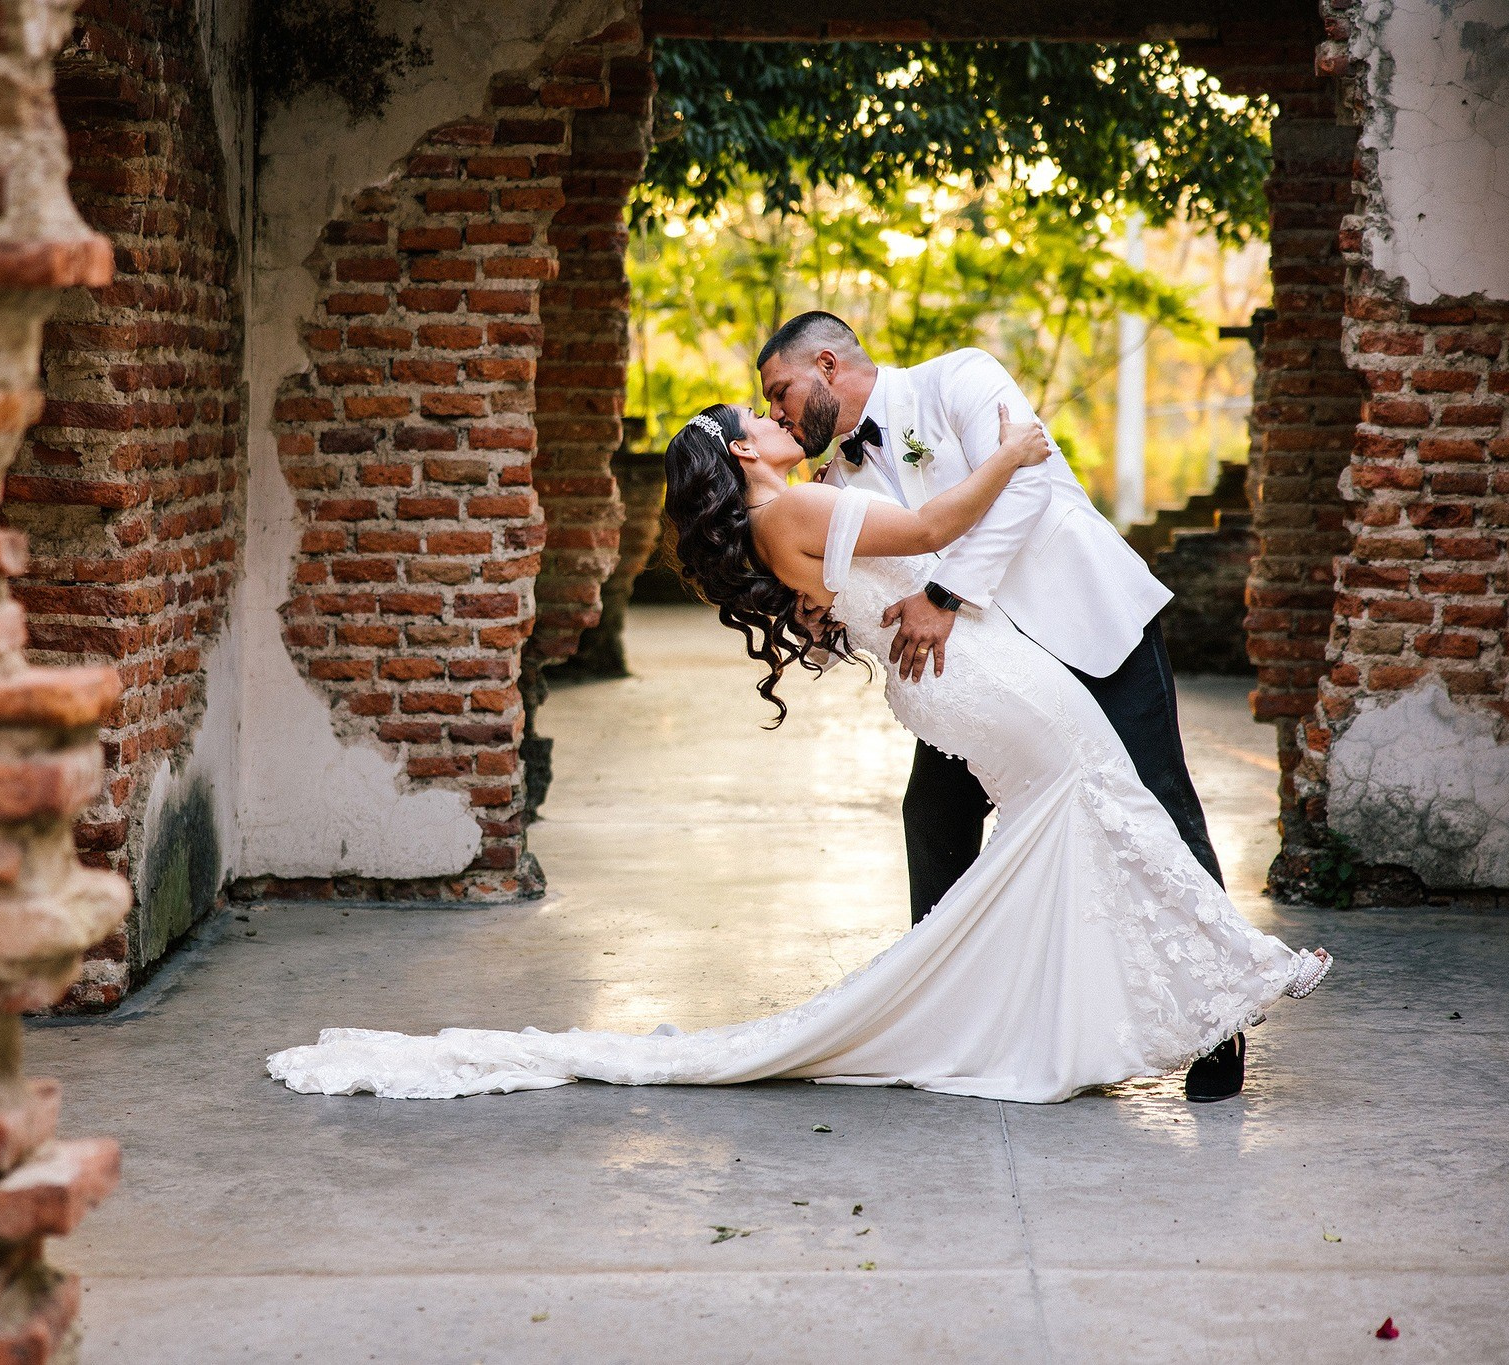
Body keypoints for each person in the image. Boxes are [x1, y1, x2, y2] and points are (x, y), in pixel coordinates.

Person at [266, 401, 1330, 1104]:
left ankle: (1097, 1013)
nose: (776, 421)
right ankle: (1206, 992)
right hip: (978, 682)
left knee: (1079, 823)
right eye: (756, 420)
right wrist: (1011, 453)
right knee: (1098, 803)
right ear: (740, 453)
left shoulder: (781, 520)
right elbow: (926, 536)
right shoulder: (799, 507)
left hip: (953, 691)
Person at [756, 311, 1245, 1102]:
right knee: (934, 814)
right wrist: (817, 626)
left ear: (826, 365)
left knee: (1157, 801)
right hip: (988, 680)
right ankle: (948, 1016)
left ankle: (1222, 1019)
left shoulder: (959, 377)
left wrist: (945, 594)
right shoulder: (832, 485)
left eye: (780, 393)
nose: (778, 413)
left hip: (1086, 627)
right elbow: (863, 595)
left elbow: (1029, 482)